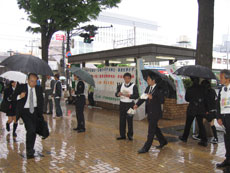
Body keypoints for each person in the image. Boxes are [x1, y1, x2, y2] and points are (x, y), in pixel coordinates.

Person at [134, 73, 167, 153]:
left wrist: (153, 98)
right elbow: (143, 97)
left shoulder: (159, 88)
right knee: (155, 128)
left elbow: (162, 100)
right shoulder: (148, 87)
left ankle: (146, 148)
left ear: (153, 80)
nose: (147, 81)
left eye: (148, 79)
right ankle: (163, 141)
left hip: (155, 112)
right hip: (149, 111)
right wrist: (137, 104)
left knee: (151, 130)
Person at [13, 73, 44, 159]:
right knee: (30, 129)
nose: (33, 83)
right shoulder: (21, 87)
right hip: (25, 112)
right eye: (32, 81)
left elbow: (41, 101)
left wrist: (40, 113)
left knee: (33, 131)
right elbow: (13, 97)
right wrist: (20, 96)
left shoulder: (38, 88)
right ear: (28, 80)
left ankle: (31, 148)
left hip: (35, 111)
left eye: (35, 82)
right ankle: (29, 150)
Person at [179, 77, 208, 147]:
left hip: (192, 108)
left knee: (188, 124)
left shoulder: (189, 89)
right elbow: (205, 98)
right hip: (200, 109)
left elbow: (187, 99)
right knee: (201, 124)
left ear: (192, 81)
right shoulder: (203, 88)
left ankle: (184, 137)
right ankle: (204, 140)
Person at [115, 72, 139, 141]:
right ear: (124, 78)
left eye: (128, 78)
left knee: (130, 120)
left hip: (130, 105)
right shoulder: (120, 85)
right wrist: (118, 94)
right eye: (125, 78)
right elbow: (116, 93)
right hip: (122, 104)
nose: (127, 80)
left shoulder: (134, 86)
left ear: (130, 79)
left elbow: (137, 95)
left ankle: (130, 135)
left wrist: (130, 96)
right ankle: (122, 135)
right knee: (122, 120)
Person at [216, 69, 230, 168]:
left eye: (221, 78)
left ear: (227, 78)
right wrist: (218, 117)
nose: (220, 79)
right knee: (227, 139)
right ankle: (228, 159)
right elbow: (218, 104)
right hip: (224, 118)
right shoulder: (222, 90)